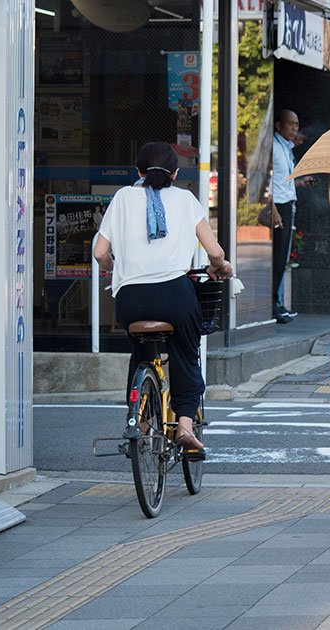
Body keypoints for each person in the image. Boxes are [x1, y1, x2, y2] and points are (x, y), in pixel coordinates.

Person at [93, 142, 233, 460]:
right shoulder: (186, 199)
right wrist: (218, 267)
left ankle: (138, 424)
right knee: (186, 354)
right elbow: (215, 252)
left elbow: (100, 253)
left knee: (141, 352)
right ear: (175, 172)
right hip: (174, 294)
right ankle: (185, 426)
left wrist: (117, 268)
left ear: (138, 171)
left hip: (131, 300)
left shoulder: (123, 197)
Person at [272, 109, 316, 324]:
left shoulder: (287, 149)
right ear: (279, 125)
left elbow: (284, 180)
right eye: (290, 124)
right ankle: (273, 304)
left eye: (297, 124)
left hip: (288, 205)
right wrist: (273, 209)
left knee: (282, 258)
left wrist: (300, 182)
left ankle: (278, 303)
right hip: (277, 207)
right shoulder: (272, 146)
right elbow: (267, 180)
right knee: (276, 258)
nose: (295, 128)